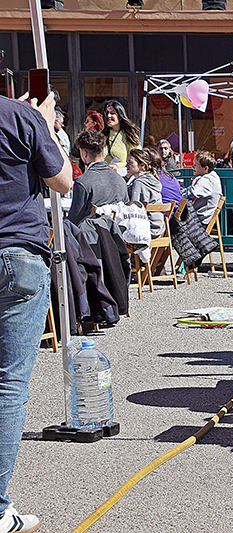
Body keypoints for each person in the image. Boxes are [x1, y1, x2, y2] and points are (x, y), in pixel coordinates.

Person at [0, 91, 73, 533]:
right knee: (8, 384)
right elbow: (63, 181)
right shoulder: (20, 116)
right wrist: (41, 125)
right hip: (17, 253)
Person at [68, 129, 129, 225]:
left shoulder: (82, 182)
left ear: (84, 153)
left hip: (91, 233)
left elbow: (74, 221)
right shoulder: (120, 180)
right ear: (103, 150)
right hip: (118, 232)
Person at [126, 148, 165, 239]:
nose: (126, 165)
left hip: (146, 229)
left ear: (142, 165)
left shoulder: (139, 183)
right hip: (159, 228)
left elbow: (133, 210)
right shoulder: (153, 180)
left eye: (130, 162)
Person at [183, 150, 222, 226]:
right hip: (198, 219)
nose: (192, 167)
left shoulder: (207, 180)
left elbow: (191, 193)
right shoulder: (211, 176)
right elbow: (189, 190)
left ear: (205, 168)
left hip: (199, 222)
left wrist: (177, 197)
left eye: (196, 165)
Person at [102, 99, 140, 173]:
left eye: (112, 113)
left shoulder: (129, 135)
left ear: (119, 116)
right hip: (104, 176)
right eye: (106, 113)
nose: (108, 116)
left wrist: (117, 166)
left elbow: (137, 160)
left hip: (122, 176)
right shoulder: (101, 136)